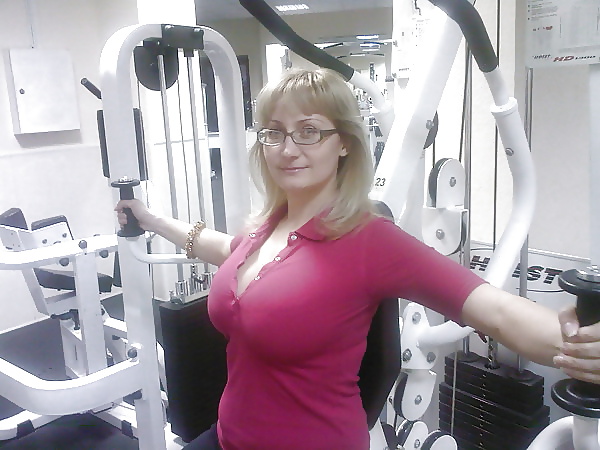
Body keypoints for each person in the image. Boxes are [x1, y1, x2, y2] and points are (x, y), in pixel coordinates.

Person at [116, 68, 600, 450]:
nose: (288, 149)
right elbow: (225, 250)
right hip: (228, 437)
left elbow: (494, 310)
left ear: (344, 142)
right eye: (274, 133)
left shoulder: (371, 240)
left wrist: (580, 343)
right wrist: (152, 220)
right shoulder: (264, 226)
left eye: (309, 131)